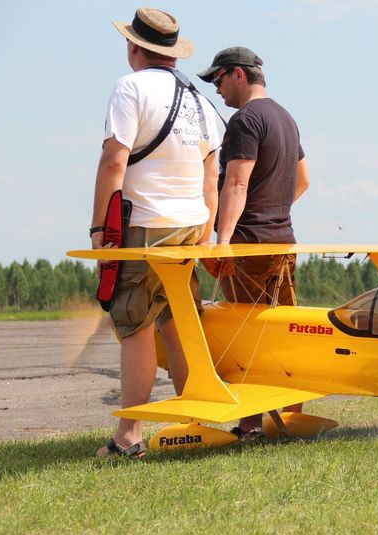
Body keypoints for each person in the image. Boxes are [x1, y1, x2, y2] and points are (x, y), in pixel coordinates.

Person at [90, 8, 222, 457]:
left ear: (133, 47)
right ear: (173, 52)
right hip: (190, 224)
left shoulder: (130, 88)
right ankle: (196, 422)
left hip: (146, 223)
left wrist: (99, 229)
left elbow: (114, 161)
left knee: (135, 324)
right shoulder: (200, 100)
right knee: (178, 321)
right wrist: (207, 233)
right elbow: (211, 175)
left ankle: (129, 437)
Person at [197, 46, 309, 440]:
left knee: (244, 337)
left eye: (218, 79)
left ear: (238, 74)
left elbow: (236, 182)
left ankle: (250, 426)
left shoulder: (244, 120)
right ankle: (290, 415)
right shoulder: (285, 117)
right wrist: (273, 210)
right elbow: (303, 181)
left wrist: (223, 241)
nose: (217, 89)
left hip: (248, 246)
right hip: (284, 243)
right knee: (282, 334)